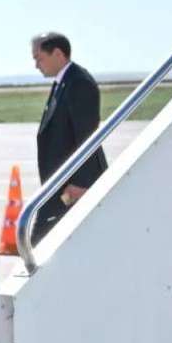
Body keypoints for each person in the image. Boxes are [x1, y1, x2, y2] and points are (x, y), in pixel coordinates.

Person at [31, 31, 107, 243]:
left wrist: (82, 183)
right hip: (60, 183)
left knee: (41, 242)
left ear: (57, 53)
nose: (37, 65)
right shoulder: (63, 82)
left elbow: (87, 135)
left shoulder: (78, 83)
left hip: (72, 186)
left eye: (39, 58)